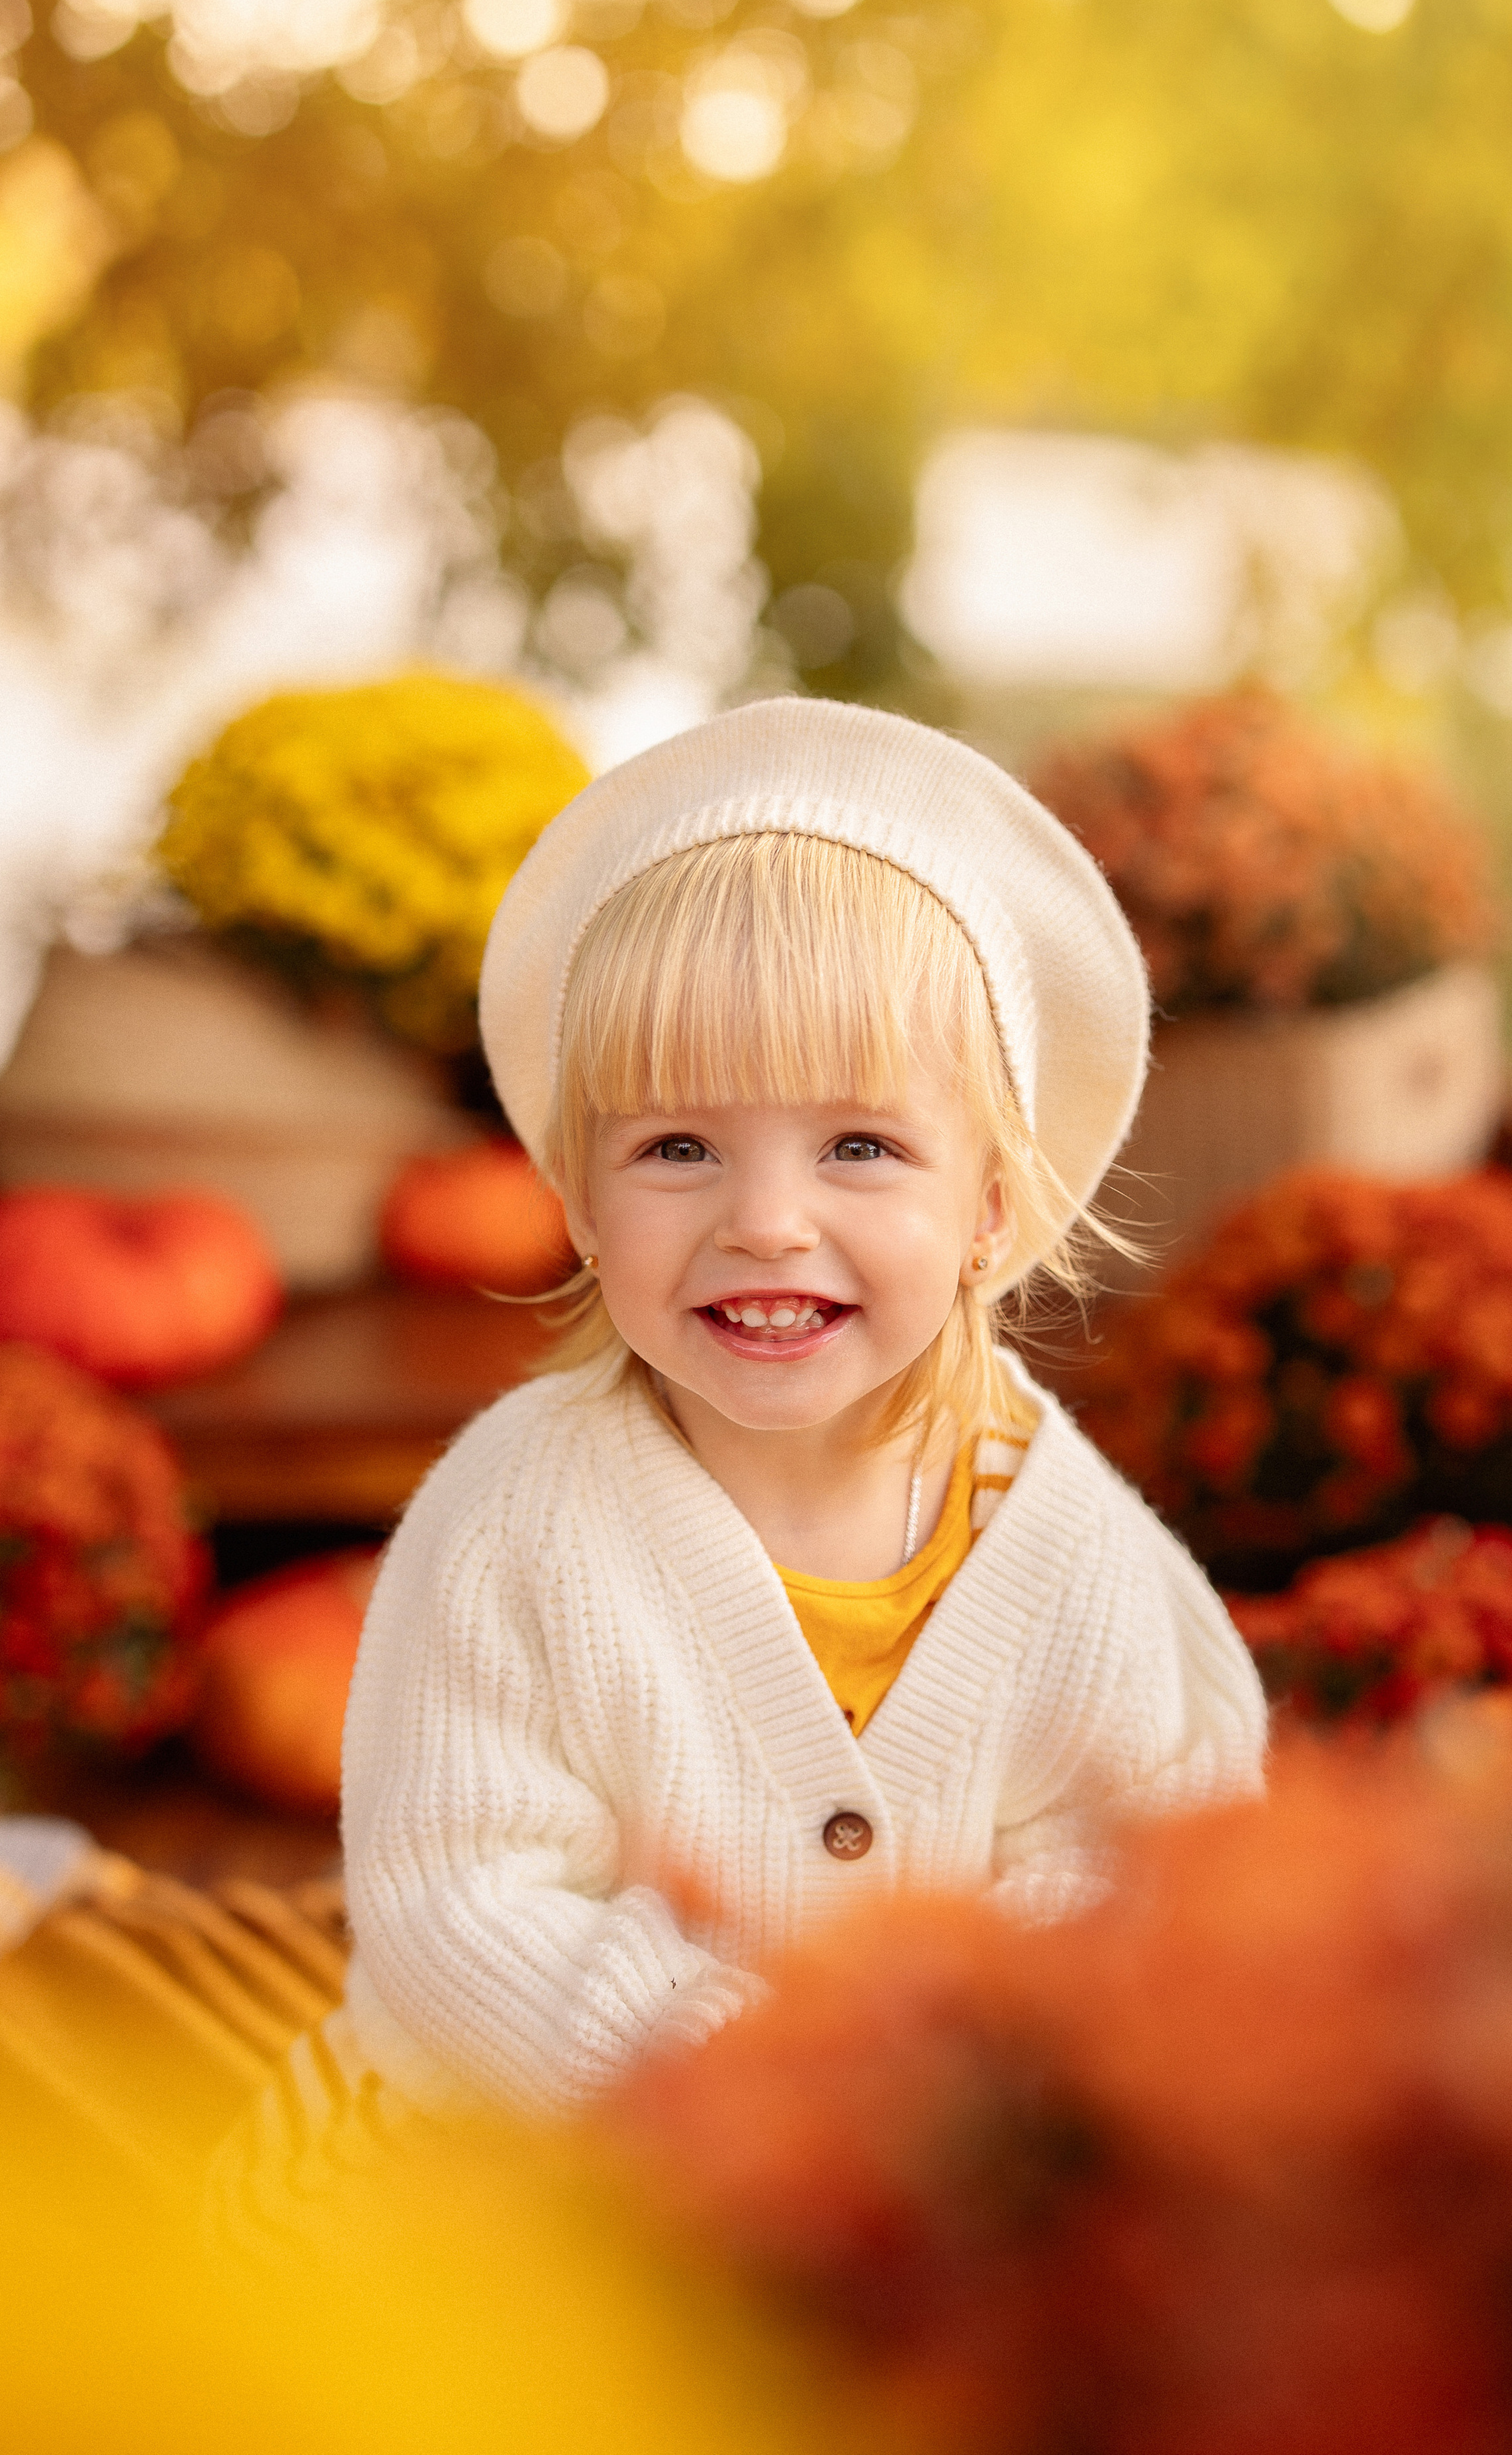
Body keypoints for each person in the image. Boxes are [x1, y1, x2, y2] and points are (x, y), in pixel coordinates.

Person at [336, 697, 1267, 2123]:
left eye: (858, 1145)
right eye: (676, 1147)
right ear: (578, 1202)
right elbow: (458, 1902)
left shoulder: (1062, 1544)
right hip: (546, 2181)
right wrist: (740, 2074)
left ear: (990, 1208)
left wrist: (947, 2070)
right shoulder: (514, 1520)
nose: (765, 1223)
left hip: (921, 2181)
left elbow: (1131, 1859)